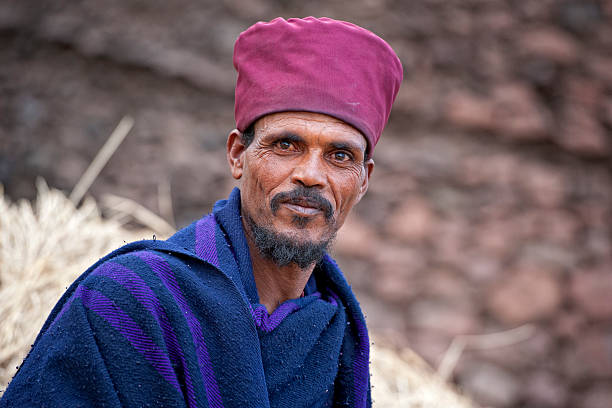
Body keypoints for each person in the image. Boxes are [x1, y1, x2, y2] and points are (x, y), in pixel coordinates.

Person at [0, 17, 402, 408]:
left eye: (339, 155)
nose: (311, 175)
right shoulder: (128, 303)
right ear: (238, 156)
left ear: (363, 180)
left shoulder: (335, 337)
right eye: (285, 145)